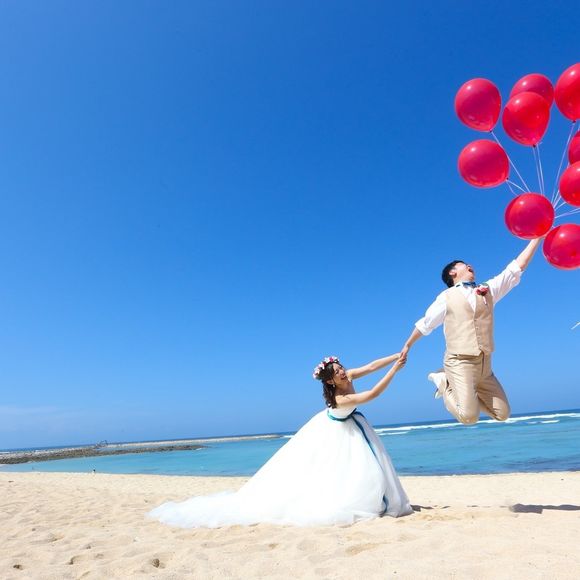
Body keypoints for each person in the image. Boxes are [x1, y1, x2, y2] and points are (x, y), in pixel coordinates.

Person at [148, 354, 412, 528]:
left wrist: (395, 356)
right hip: (338, 431)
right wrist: (396, 370)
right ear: (330, 381)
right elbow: (373, 394)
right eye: (337, 371)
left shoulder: (348, 376)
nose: (343, 371)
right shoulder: (340, 399)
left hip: (350, 427)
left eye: (341, 367)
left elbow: (370, 367)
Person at [399, 239, 542, 425]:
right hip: (460, 362)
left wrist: (538, 238)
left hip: (485, 365)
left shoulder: (488, 290)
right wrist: (408, 345)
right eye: (463, 264)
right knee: (469, 417)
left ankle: (465, 394)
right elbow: (426, 323)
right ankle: (444, 381)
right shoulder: (446, 297)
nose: (469, 265)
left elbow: (516, 268)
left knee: (503, 414)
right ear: (453, 273)